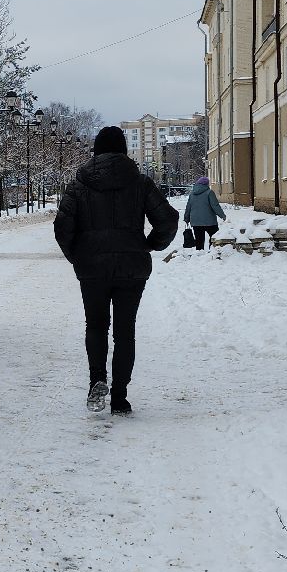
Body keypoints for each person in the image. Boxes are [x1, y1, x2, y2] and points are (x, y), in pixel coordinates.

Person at [54, 126, 180, 415]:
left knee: (96, 326)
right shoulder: (140, 183)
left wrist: (77, 256)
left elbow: (62, 227)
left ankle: (97, 379)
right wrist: (149, 244)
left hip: (92, 269)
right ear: (124, 150)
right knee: (125, 332)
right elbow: (168, 220)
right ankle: (120, 397)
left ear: (95, 150)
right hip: (131, 268)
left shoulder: (79, 185)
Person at [183, 176, 226, 250]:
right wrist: (222, 215)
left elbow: (188, 207)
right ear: (206, 184)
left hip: (196, 221)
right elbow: (215, 205)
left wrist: (186, 218)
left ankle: (199, 255)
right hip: (209, 221)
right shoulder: (209, 192)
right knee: (214, 238)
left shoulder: (192, 194)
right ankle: (212, 252)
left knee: (199, 241)